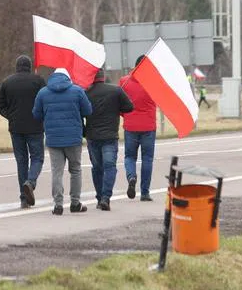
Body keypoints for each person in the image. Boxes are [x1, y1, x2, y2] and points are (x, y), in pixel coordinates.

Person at [32, 67, 93, 215]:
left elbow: (36, 114)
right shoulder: (77, 91)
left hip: (53, 139)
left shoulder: (43, 93)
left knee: (57, 172)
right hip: (73, 138)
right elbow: (88, 111)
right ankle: (75, 203)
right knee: (76, 170)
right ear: (68, 77)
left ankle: (58, 205)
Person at [0, 55, 47, 208]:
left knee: (21, 161)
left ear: (16, 66)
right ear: (30, 66)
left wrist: (10, 116)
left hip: (16, 127)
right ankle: (30, 182)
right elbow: (45, 101)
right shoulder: (38, 81)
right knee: (37, 157)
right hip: (36, 126)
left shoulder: (7, 82)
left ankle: (24, 198)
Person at [83, 69, 134, 210]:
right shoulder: (116, 91)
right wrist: (117, 107)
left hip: (92, 136)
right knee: (110, 167)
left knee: (97, 168)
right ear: (103, 77)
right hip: (110, 136)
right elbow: (130, 107)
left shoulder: (86, 93)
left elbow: (80, 112)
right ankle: (106, 197)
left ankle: (99, 198)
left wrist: (84, 131)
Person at [121, 56, 158, 201]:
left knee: (130, 156)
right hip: (148, 126)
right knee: (147, 159)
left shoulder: (124, 81)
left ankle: (131, 176)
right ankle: (145, 192)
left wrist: (125, 116)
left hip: (130, 125)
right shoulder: (153, 83)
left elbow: (120, 102)